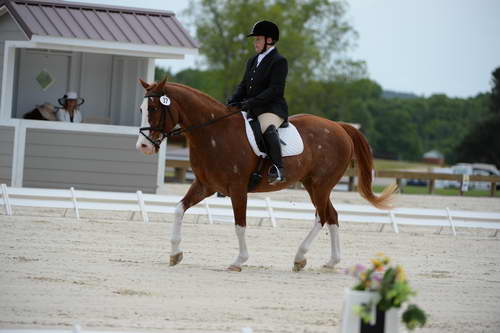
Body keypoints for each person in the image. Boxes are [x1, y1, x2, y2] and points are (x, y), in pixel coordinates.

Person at [228, 20, 288, 184]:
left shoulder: (279, 61)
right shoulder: (253, 60)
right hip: (252, 107)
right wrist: (233, 101)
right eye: (255, 40)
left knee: (267, 130)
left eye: (258, 39)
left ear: (269, 40)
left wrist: (252, 102)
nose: (255, 43)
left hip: (272, 109)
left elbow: (276, 90)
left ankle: (278, 169)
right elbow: (243, 85)